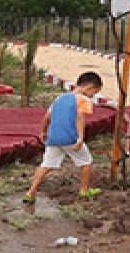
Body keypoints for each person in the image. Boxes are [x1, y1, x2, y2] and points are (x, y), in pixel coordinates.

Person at [24, 71, 104, 203]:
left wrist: (43, 132)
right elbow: (79, 117)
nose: (93, 96)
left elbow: (46, 117)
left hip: (53, 138)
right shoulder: (82, 99)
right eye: (94, 92)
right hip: (69, 138)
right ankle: (84, 190)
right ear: (89, 87)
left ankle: (30, 192)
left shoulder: (59, 98)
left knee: (46, 165)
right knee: (86, 162)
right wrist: (80, 137)